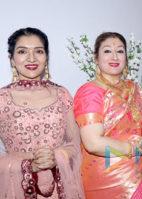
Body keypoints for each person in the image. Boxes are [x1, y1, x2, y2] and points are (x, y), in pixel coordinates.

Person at [73, 32, 142, 199]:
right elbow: (93, 143)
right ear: (96, 58)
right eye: (107, 51)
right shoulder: (90, 93)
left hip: (138, 170)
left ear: (126, 59)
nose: (114, 56)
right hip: (107, 177)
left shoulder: (134, 88)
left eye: (120, 51)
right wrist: (139, 147)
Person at [0, 27, 85, 198]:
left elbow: (76, 146)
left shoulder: (62, 94)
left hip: (59, 188)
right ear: (12, 58)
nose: (31, 58)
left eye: (38, 51)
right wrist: (27, 165)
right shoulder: (2, 98)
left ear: (46, 57)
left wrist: (56, 157)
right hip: (15, 187)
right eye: (22, 51)